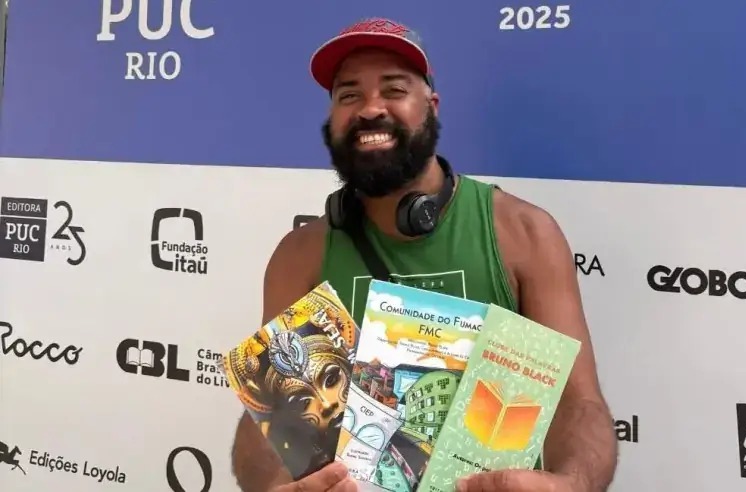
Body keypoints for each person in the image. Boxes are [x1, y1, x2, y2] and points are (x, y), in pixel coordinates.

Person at [231, 17, 618, 492]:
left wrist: (572, 483)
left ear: (431, 106)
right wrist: (272, 487)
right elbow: (272, 423)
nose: (370, 108)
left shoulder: (523, 234)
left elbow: (578, 404)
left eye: (394, 89)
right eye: (349, 95)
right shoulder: (300, 255)